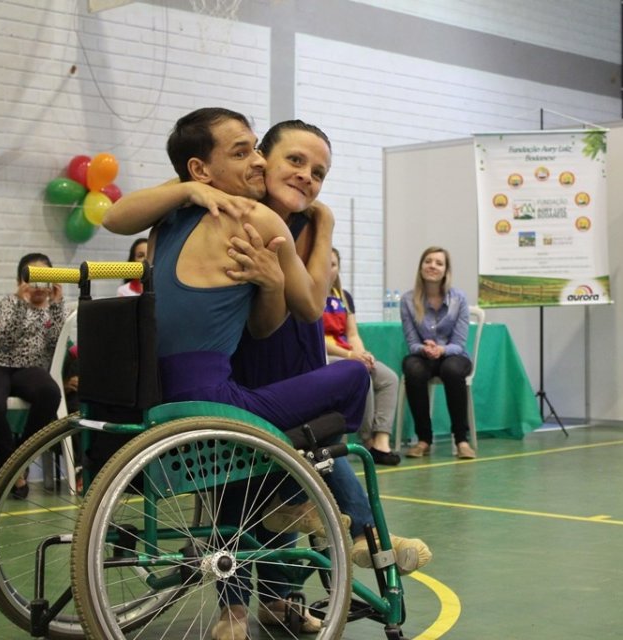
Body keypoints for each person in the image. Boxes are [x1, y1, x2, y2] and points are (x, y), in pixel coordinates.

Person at [105, 109, 429, 640]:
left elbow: (311, 298)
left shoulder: (291, 221)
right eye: (291, 160)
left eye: (319, 172)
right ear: (262, 162)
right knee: (250, 483)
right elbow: (124, 214)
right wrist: (189, 190)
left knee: (305, 453)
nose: (305, 175)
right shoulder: (229, 207)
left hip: (288, 362)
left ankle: (293, 589)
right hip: (239, 370)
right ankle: (252, 595)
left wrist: (318, 231)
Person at [0, 253, 66, 497]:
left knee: (50, 393)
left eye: (44, 279)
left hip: (30, 368)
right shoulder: (10, 302)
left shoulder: (54, 308)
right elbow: (6, 341)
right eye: (32, 278)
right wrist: (22, 304)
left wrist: (57, 305)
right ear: (20, 280)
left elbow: (56, 343)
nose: (38, 286)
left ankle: (17, 461)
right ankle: (13, 466)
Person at [324, 247, 401, 465]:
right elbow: (318, 340)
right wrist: (350, 355)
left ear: (338, 269)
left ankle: (381, 440)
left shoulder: (344, 297)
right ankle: (366, 439)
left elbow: (352, 334)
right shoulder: (309, 296)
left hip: (347, 352)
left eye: (333, 265)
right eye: (324, 264)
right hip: (327, 356)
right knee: (360, 376)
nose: (328, 269)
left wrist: (362, 353)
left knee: (388, 378)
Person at [400, 246, 476, 459]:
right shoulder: (407, 300)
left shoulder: (458, 299)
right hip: (424, 355)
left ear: (446, 271)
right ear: (421, 267)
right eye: (428, 261)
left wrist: (441, 349)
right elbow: (412, 342)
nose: (432, 266)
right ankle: (424, 439)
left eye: (439, 263)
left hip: (454, 355)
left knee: (452, 369)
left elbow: (460, 343)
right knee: (412, 368)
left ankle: (461, 440)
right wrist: (425, 349)